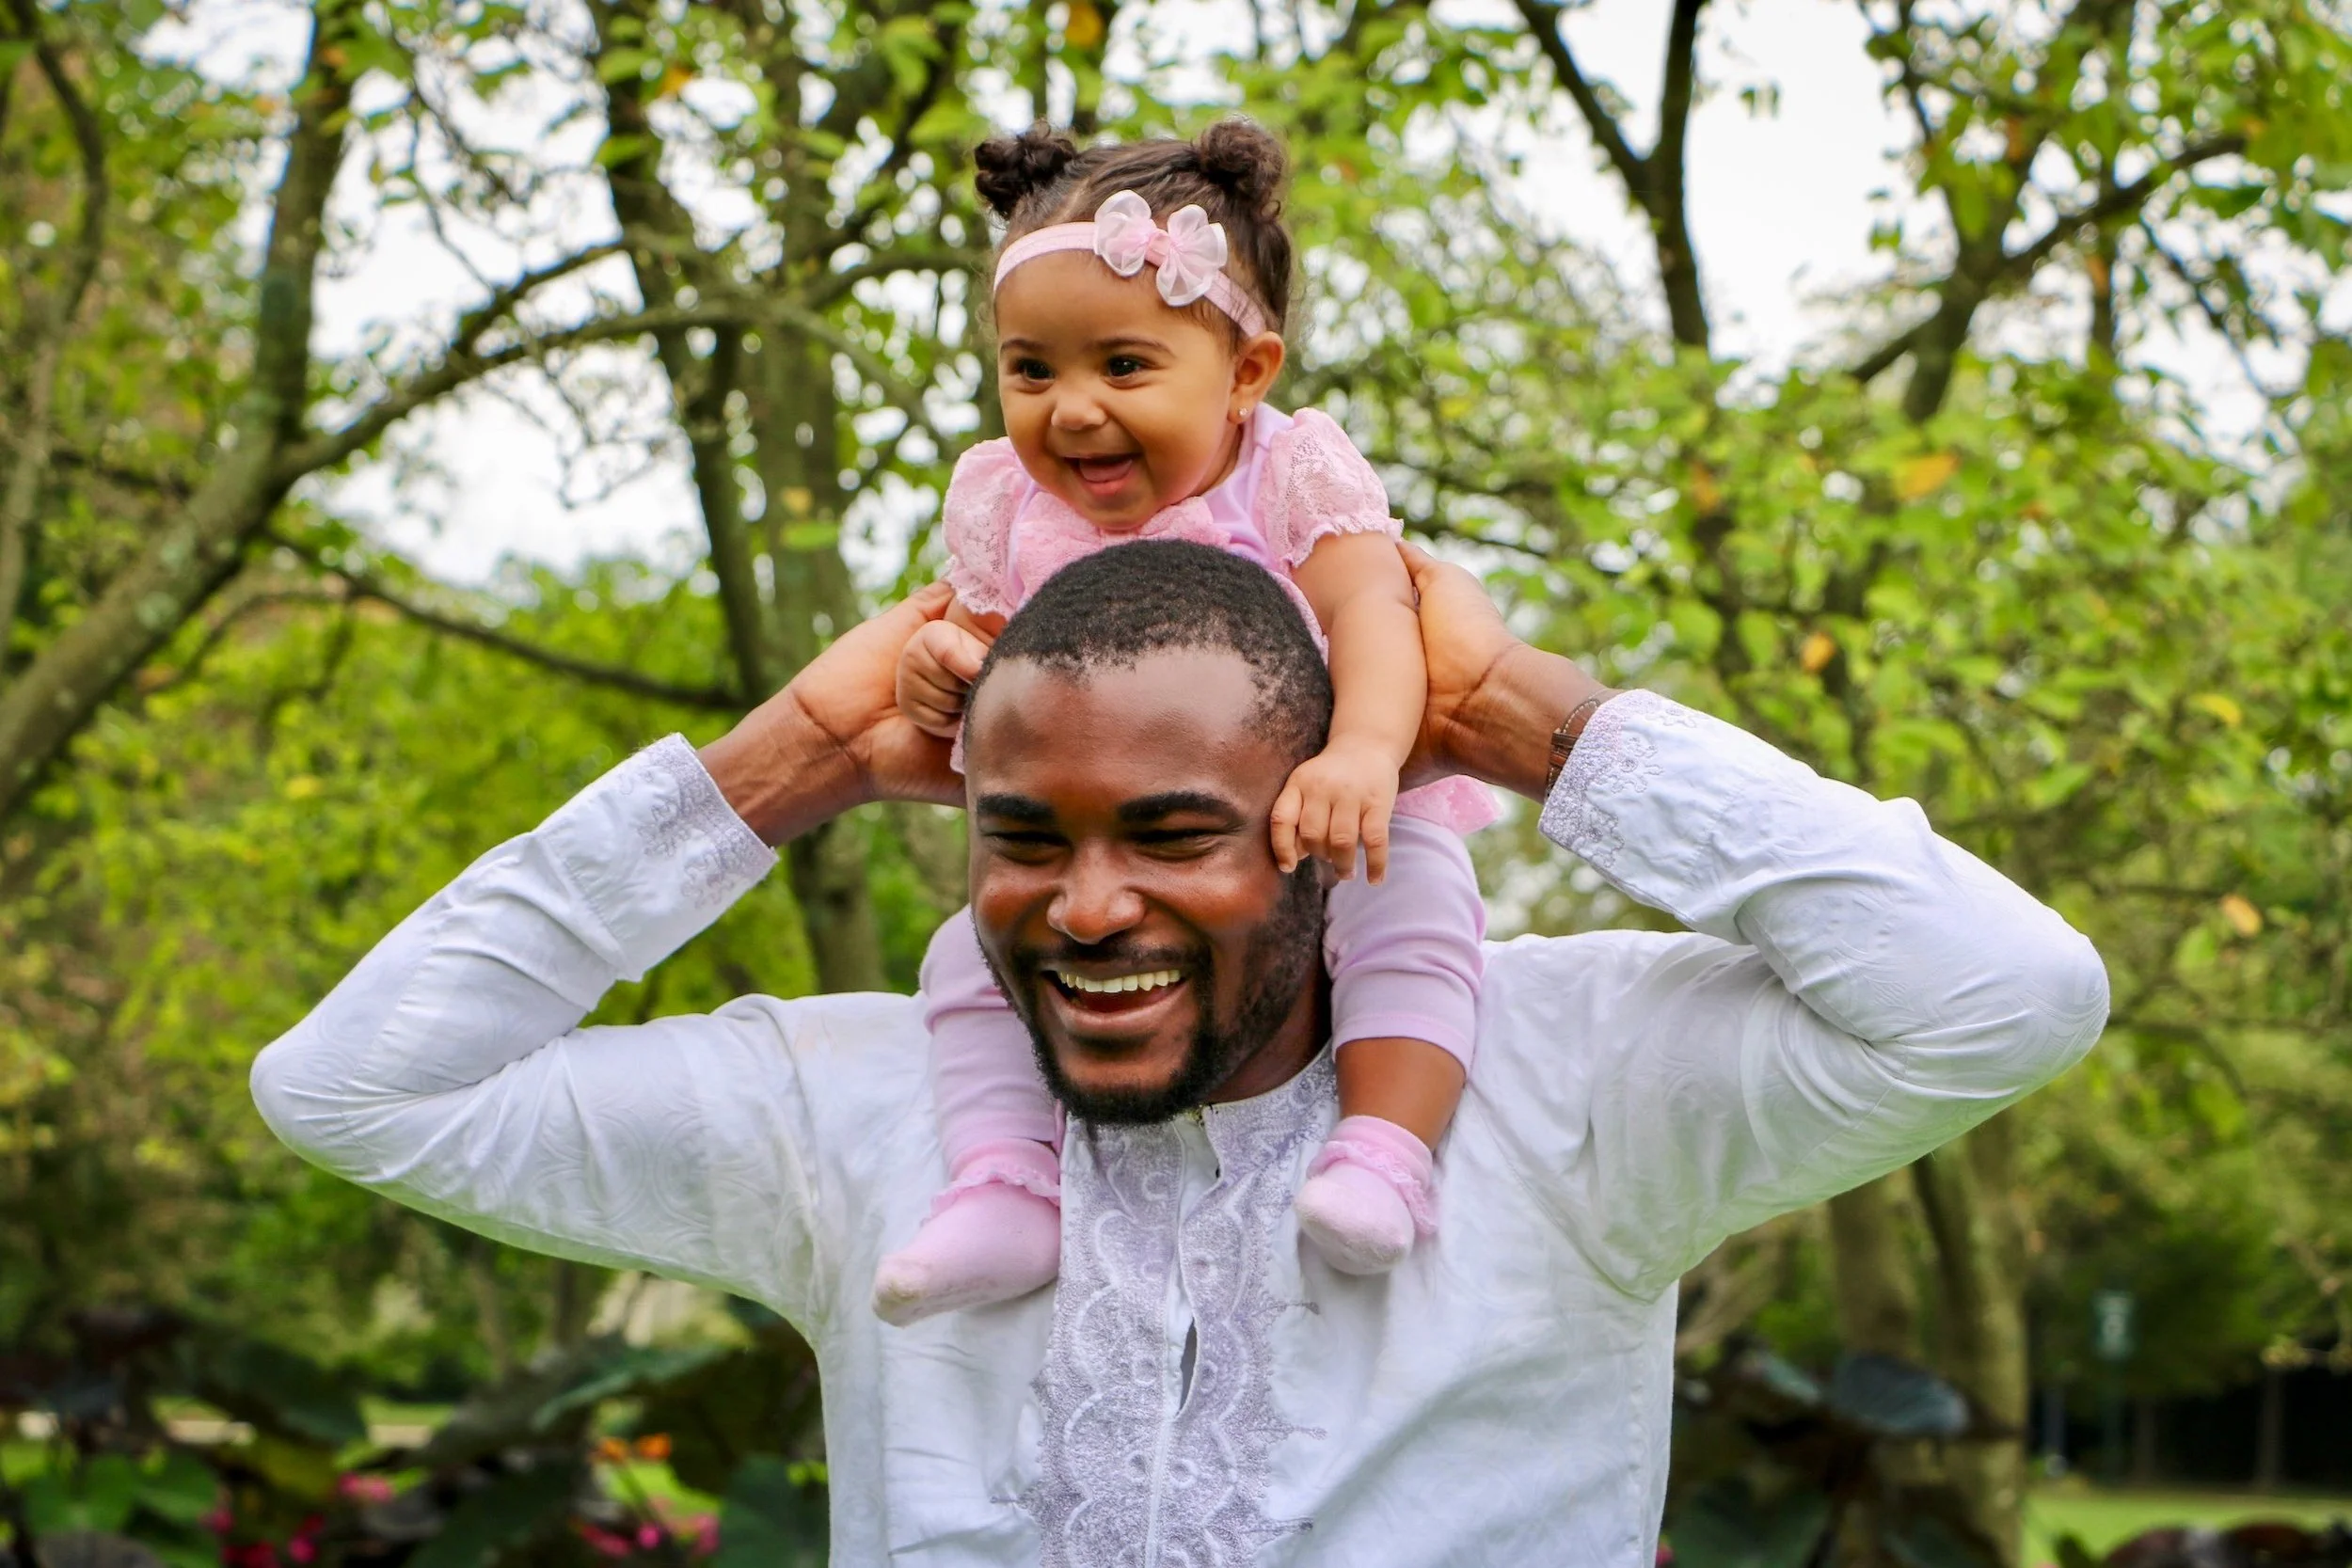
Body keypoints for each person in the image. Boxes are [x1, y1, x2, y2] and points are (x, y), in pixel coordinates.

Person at [251, 539, 2109, 1567]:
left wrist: (1510, 711)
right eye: (1023, 838)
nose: (1082, 905)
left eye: (1171, 833)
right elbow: (356, 1087)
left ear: (1320, 822)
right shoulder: (856, 1106)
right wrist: (789, 760)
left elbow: (2004, 990)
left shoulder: (1569, 1078)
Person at [877, 119, 1497, 1325]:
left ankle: (1384, 1150)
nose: (1071, 411)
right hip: (1125, 840)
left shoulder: (1289, 474)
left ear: (1246, 373)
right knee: (965, 956)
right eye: (1030, 371)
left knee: (1413, 902)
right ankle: (1005, 1181)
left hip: (1321, 804)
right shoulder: (1010, 506)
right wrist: (938, 669)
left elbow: (1377, 612)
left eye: (1123, 366)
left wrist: (1363, 751)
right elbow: (986, 643)